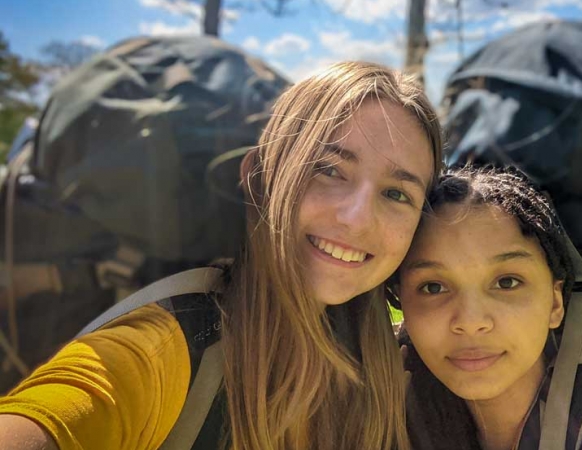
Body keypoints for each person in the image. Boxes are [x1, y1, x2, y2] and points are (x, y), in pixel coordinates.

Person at [0, 61, 443, 450]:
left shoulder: (391, 364)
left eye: (396, 193)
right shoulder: (165, 352)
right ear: (261, 177)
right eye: (327, 170)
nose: (358, 218)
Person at [395, 165, 582, 450]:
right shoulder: (388, 418)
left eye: (507, 282)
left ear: (556, 303)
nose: (471, 321)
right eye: (433, 287)